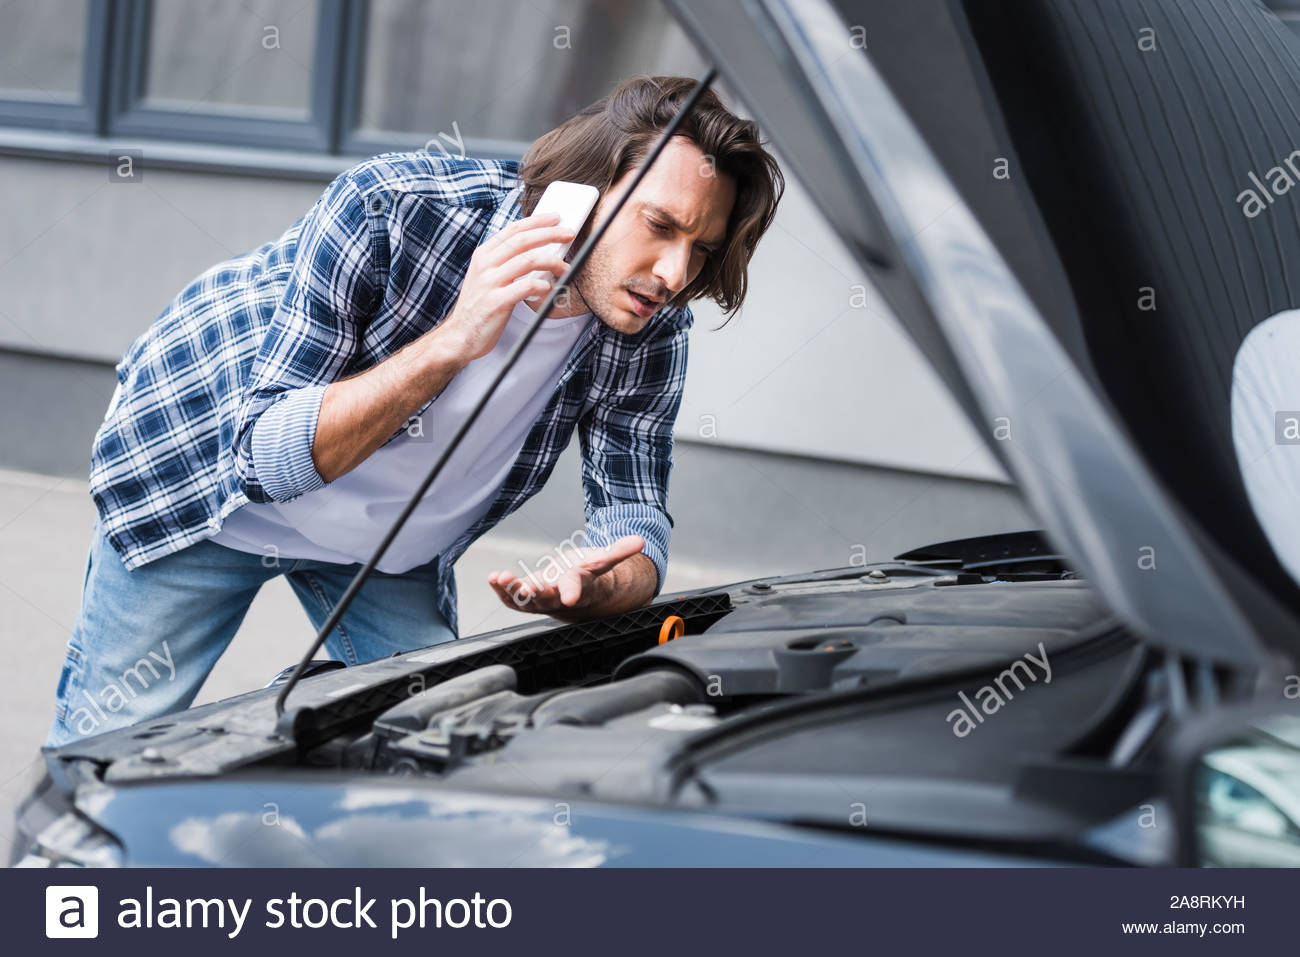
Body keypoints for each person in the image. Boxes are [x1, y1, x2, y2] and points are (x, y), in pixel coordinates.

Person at [44, 75, 783, 747]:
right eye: (660, 225)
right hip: (206, 485)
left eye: (700, 247)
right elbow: (264, 457)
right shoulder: (391, 209)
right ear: (582, 191)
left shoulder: (650, 324)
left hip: (385, 549)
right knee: (105, 744)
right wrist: (454, 341)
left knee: (442, 732)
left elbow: (636, 516)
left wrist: (603, 586)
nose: (676, 273)